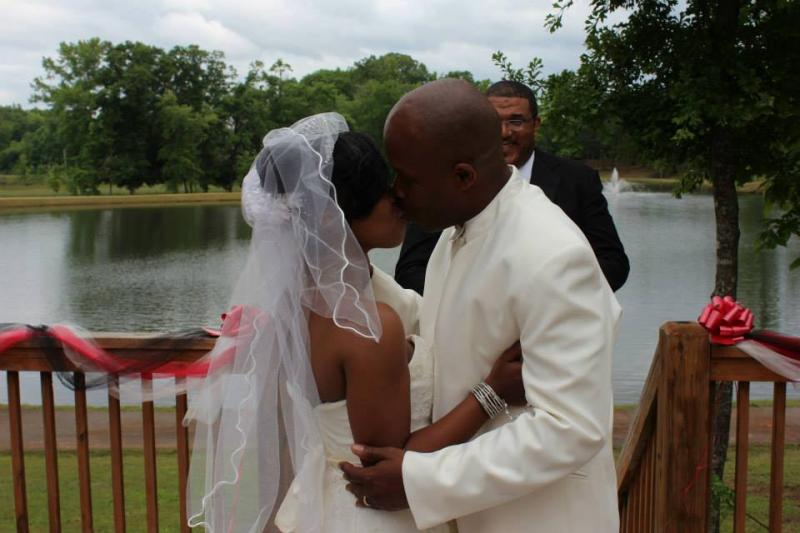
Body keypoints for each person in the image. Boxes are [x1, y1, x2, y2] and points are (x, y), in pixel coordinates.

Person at [184, 113, 523, 533]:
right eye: (383, 192)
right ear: (332, 216)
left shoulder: (293, 306)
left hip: (327, 502)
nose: (399, 200)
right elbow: (388, 464)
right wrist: (491, 394)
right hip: (376, 514)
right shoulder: (367, 327)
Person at [340, 79, 621, 532]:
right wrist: (344, 273)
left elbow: (570, 428)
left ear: (463, 177)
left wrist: (422, 480)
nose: (396, 191)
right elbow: (444, 322)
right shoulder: (460, 225)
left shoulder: (553, 255)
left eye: (408, 178)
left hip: (536, 520)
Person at [394, 80, 629, 295]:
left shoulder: (577, 180)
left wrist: (545, 301)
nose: (504, 132)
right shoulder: (449, 177)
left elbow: (613, 263)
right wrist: (481, 306)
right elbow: (410, 270)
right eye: (494, 122)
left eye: (516, 121)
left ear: (536, 125)